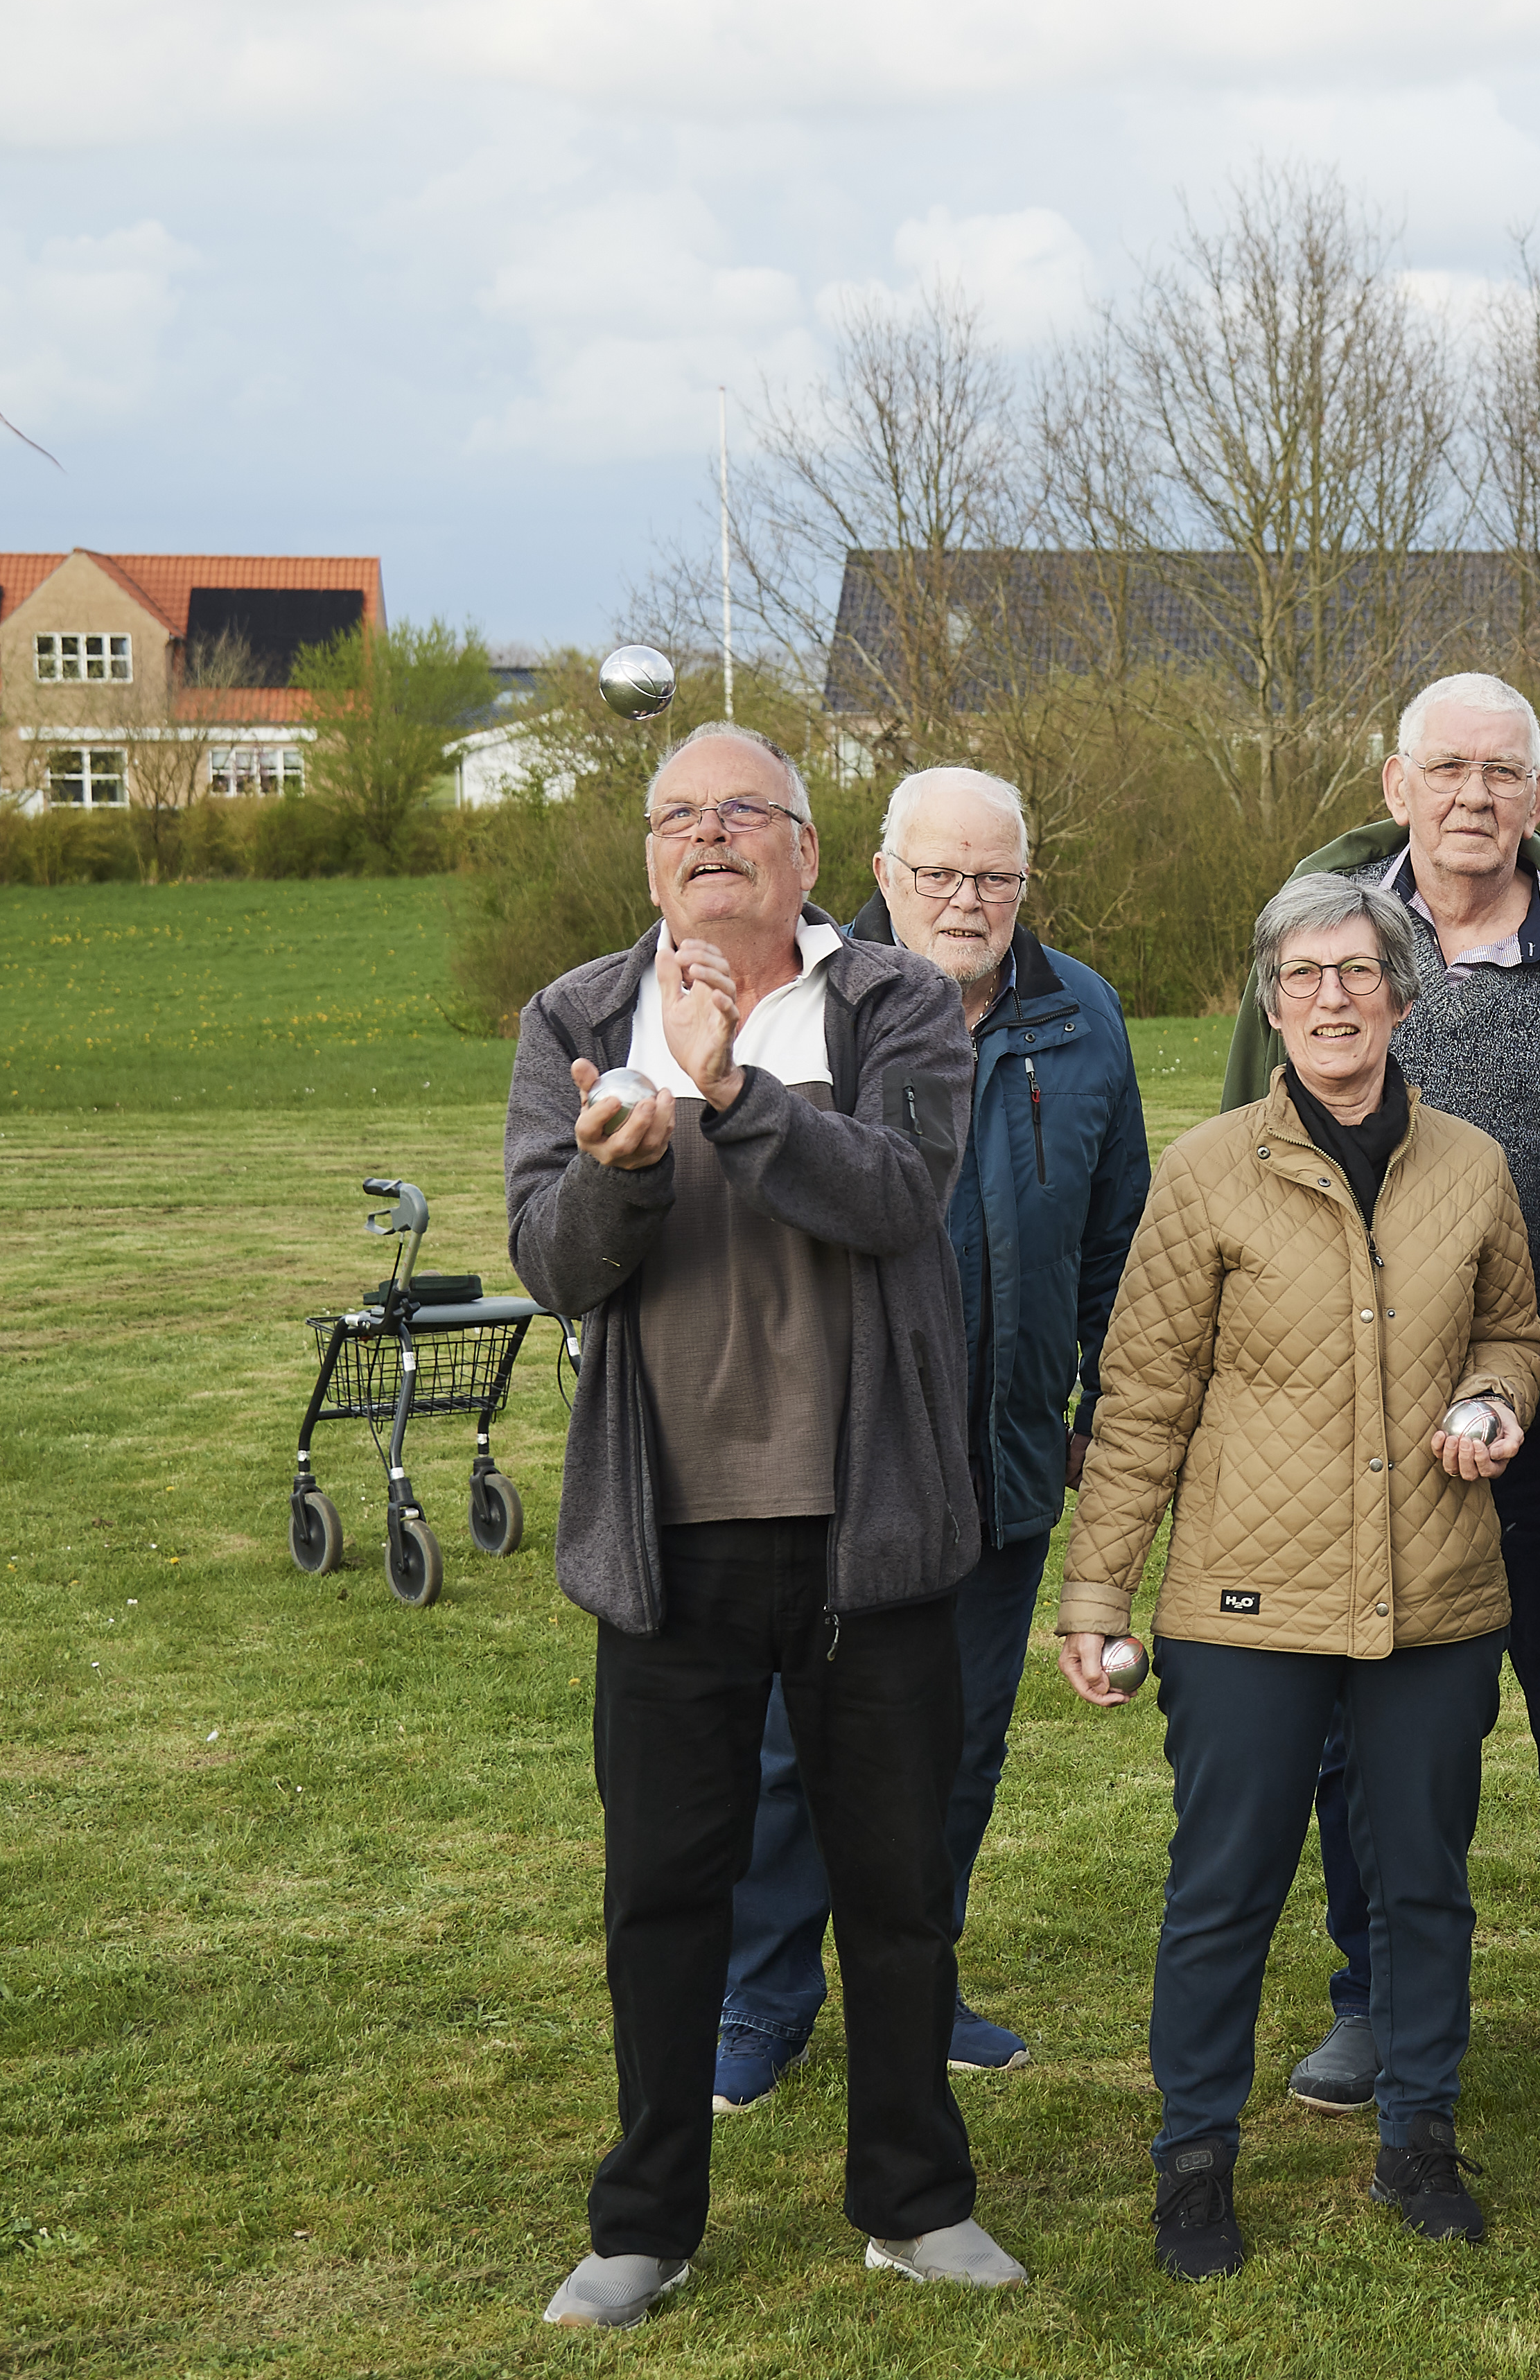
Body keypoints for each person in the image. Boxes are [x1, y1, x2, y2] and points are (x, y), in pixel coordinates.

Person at [505, 722, 1019, 2327]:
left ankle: (915, 2200)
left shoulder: (895, 1002)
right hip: (671, 1543)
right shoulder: (579, 1016)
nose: (708, 836)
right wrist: (624, 1171)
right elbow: (551, 1258)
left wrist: (731, 1092)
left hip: (869, 1530)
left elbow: (896, 1195)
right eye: (678, 816)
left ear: (806, 850)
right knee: (663, 1889)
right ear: (648, 853)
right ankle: (644, 2223)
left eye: (743, 812)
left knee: (895, 1883)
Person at [1059, 871, 1540, 2280]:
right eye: (1301, 975)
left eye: (1357, 970)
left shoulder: (1470, 1166)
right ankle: (1193, 2163)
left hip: (1436, 1597)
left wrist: (1497, 1401)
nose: (1331, 997)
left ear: (1405, 994)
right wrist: (1097, 1595)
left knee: (1424, 1887)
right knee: (1224, 1887)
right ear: (1269, 1004)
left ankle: (1419, 2143)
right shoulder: (1207, 1169)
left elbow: (1513, 1332)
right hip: (1243, 1603)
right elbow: (1140, 1398)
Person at [1220, 672, 1540, 2105]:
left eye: (1502, 771)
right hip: (1365, 1437)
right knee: (1373, 1745)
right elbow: (1243, 1160)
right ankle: (1374, 1991)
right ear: (1394, 781)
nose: (1474, 795)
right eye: (1447, 768)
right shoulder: (1310, 934)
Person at [706, 766, 1150, 2110]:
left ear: (1026, 882)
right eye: (942, 873)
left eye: (995, 877)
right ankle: (764, 1994)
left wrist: (1091, 1407)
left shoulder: (1082, 1019)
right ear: (882, 874)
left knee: (954, 1749)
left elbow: (1117, 1243)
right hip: (822, 1466)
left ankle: (917, 1980)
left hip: (997, 1463)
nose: (969, 899)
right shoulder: (799, 1008)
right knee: (797, 1741)